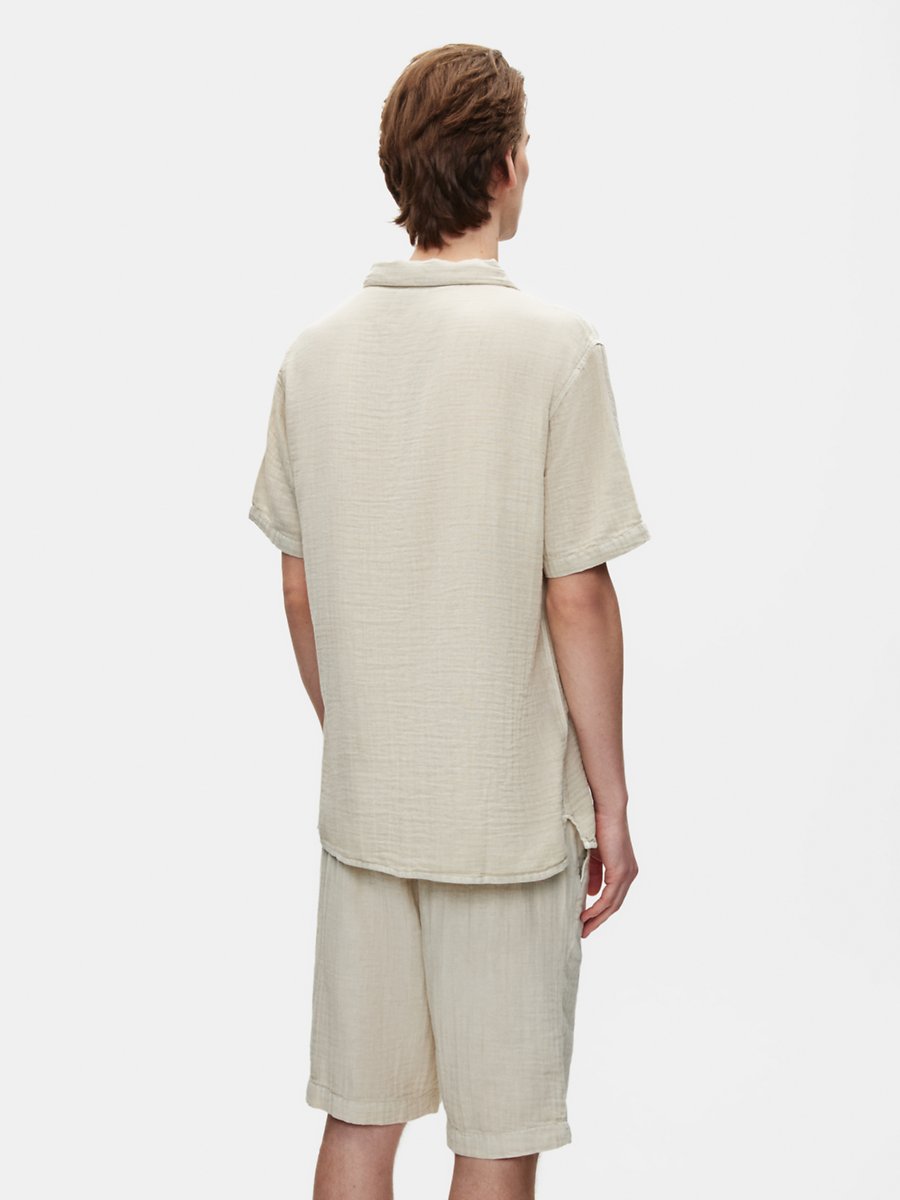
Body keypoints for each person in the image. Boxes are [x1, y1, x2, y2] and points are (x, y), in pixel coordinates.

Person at [248, 42, 651, 1200]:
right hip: (505, 815)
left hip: (370, 806)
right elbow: (576, 592)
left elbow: (298, 584)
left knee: (360, 1116)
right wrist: (611, 799)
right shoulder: (555, 350)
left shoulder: (315, 355)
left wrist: (358, 731)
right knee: (495, 1129)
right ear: (506, 167)